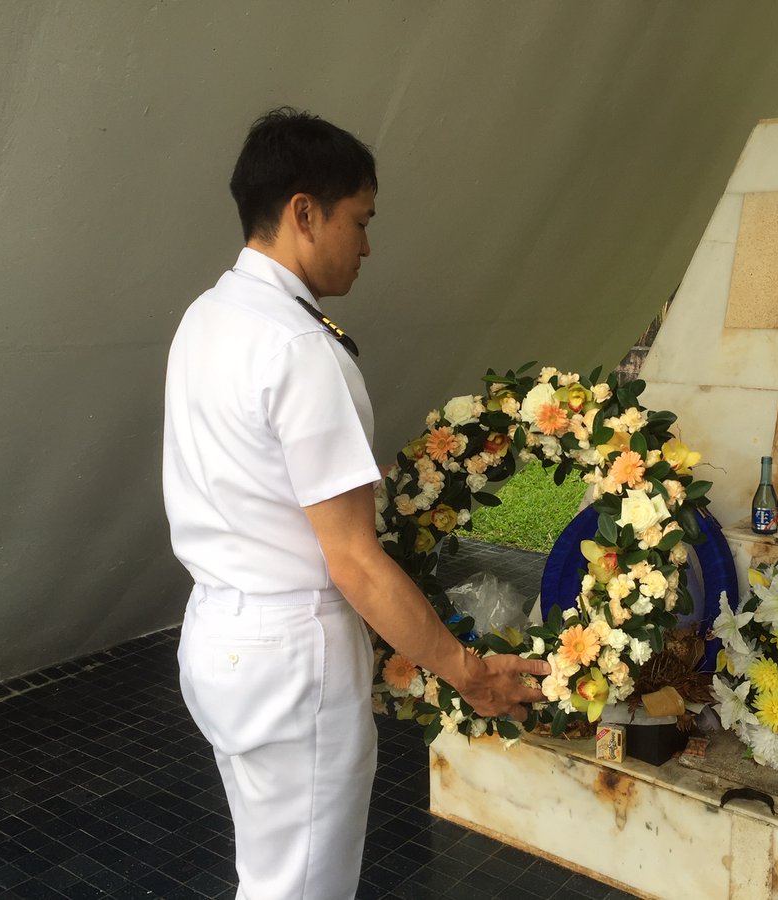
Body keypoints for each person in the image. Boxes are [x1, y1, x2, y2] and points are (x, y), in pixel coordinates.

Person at [162, 107, 548, 899]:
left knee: (270, 874)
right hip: (289, 656)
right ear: (304, 213)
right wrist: (467, 672)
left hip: (219, 637)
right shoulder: (300, 348)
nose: (367, 247)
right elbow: (353, 561)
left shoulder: (208, 316)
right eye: (360, 221)